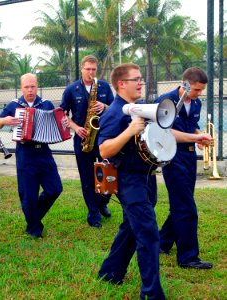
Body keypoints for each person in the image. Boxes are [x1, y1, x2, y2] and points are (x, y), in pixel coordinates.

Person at [97, 63, 166, 299]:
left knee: (131, 227)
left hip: (146, 177)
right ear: (121, 84)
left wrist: (194, 137)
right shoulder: (114, 113)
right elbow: (104, 150)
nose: (140, 82)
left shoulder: (138, 108)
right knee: (147, 233)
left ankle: (110, 272)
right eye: (135, 79)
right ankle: (151, 293)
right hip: (128, 180)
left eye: (141, 79)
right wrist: (128, 131)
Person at [156, 67, 213, 269]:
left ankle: (161, 244)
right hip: (172, 156)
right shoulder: (166, 101)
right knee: (187, 208)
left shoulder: (195, 102)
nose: (199, 94)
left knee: (181, 203)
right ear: (185, 84)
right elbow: (166, 132)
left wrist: (200, 136)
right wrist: (195, 137)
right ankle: (188, 257)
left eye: (201, 91)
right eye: (196, 90)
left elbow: (191, 126)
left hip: (189, 156)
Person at [0, 73, 63, 238]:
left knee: (55, 189)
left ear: (37, 86)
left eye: (32, 86)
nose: (30, 90)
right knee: (28, 194)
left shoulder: (46, 104)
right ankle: (34, 228)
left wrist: (64, 123)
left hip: (44, 152)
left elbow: (57, 124)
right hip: (25, 153)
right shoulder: (14, 105)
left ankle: (33, 216)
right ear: (21, 87)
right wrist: (5, 121)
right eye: (26, 87)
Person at [60, 55, 114, 228]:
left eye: (93, 69)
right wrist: (76, 127)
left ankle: (102, 203)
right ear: (82, 69)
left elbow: (115, 107)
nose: (91, 72)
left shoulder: (104, 86)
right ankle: (93, 213)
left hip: (104, 137)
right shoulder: (71, 89)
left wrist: (104, 107)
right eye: (87, 69)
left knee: (109, 173)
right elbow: (62, 114)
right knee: (87, 179)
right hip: (83, 137)